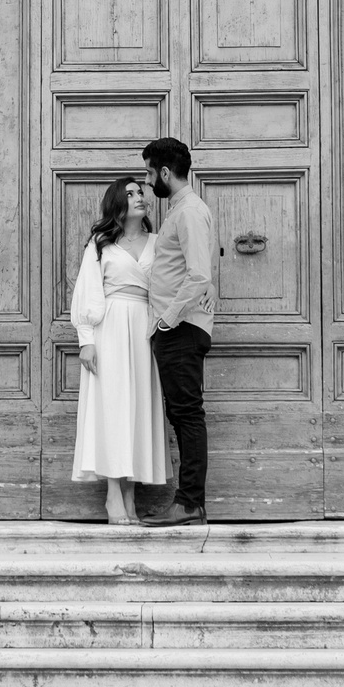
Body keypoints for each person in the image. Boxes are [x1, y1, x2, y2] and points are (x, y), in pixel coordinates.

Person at [68, 176, 171, 525]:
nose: (139, 196)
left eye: (140, 192)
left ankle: (131, 493)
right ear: (117, 203)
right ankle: (114, 494)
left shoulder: (159, 242)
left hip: (146, 328)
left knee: (138, 408)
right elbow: (87, 290)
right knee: (112, 409)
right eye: (130, 193)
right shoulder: (100, 244)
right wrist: (86, 341)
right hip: (109, 328)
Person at [140, 135, 214, 526]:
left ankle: (189, 503)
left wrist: (167, 318)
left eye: (150, 172)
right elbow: (198, 267)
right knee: (182, 414)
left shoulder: (188, 211)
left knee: (186, 415)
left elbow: (199, 273)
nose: (148, 179)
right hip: (180, 325)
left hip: (180, 328)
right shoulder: (183, 210)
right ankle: (189, 501)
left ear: (165, 172)